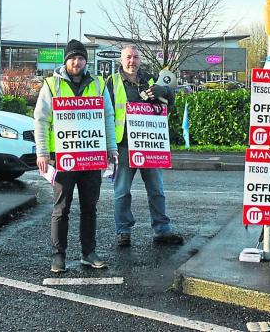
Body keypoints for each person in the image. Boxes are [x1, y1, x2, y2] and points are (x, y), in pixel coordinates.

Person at [35, 39, 118, 273]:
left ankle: (88, 253)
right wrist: (42, 152)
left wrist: (111, 148)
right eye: (72, 58)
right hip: (62, 157)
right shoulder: (51, 85)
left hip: (92, 156)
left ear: (85, 61)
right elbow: (41, 120)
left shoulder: (99, 84)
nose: (77, 62)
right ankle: (58, 255)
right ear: (66, 61)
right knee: (61, 208)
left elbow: (107, 118)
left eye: (80, 58)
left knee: (90, 207)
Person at [106, 44, 183, 247]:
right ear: (121, 61)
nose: (132, 61)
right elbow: (104, 113)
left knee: (156, 189)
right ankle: (123, 231)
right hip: (123, 145)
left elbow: (170, 102)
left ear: (140, 60)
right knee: (122, 192)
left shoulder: (149, 79)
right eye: (128, 57)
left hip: (149, 145)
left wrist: (164, 90)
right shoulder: (111, 82)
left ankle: (162, 230)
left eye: (136, 57)